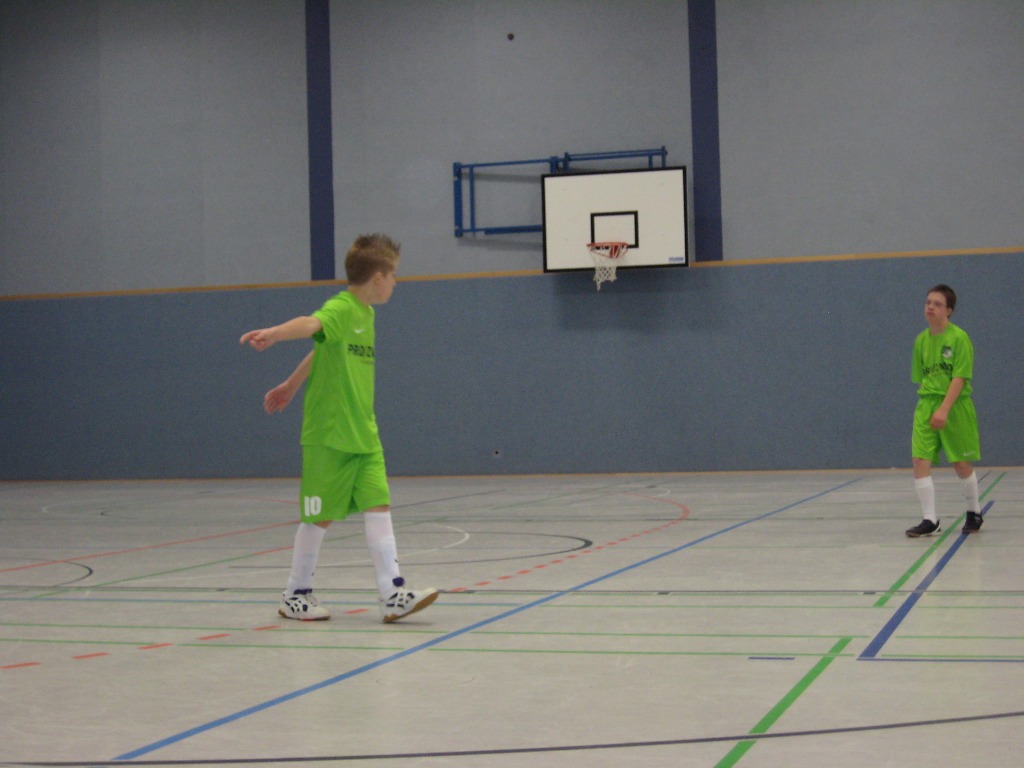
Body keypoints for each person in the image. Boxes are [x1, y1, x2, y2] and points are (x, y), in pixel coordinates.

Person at [240, 233, 438, 622]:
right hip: (330, 435)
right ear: (378, 277)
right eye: (393, 275)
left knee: (378, 505)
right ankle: (295, 595)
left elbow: (323, 348)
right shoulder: (342, 307)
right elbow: (311, 325)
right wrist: (275, 334)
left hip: (363, 432)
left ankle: (392, 593)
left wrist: (290, 384)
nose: (395, 283)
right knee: (319, 516)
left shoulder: (366, 315)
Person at [905, 284, 983, 538]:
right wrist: (929, 408)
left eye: (937, 304)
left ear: (948, 310)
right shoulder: (921, 341)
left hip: (955, 405)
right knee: (920, 459)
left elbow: (960, 377)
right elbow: (921, 378)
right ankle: (930, 519)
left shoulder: (959, 338)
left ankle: (974, 511)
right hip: (927, 404)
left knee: (960, 462)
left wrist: (944, 409)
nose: (930, 307)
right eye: (928, 302)